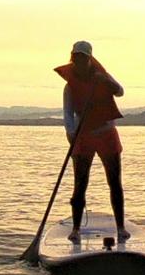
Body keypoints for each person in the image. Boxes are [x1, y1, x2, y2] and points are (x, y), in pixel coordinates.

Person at [54, 41, 128, 241]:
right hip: (83, 135)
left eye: (83, 58)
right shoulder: (69, 87)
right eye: (76, 58)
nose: (79, 61)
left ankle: (120, 228)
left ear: (89, 59)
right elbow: (68, 115)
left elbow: (120, 91)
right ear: (72, 58)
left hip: (106, 133)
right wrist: (71, 137)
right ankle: (76, 229)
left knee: (114, 182)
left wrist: (105, 79)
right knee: (80, 184)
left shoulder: (101, 76)